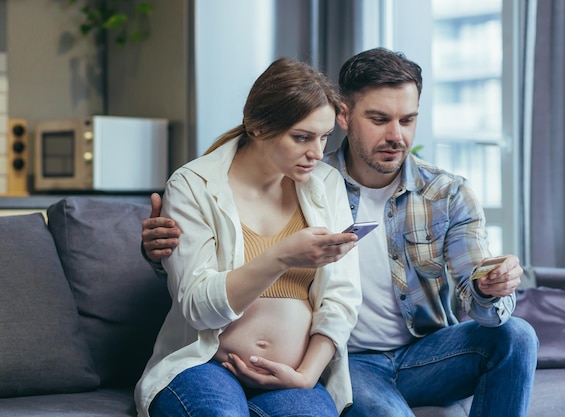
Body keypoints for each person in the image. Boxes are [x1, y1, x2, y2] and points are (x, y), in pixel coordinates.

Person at [142, 48, 538, 417]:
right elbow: (202, 272)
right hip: (338, 360)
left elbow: (473, 292)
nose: (396, 136)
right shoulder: (304, 176)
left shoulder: (442, 193)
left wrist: (490, 287)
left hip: (415, 354)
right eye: (380, 119)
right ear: (345, 116)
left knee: (516, 335)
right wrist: (160, 256)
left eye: (408, 120)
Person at [135, 57, 363, 417]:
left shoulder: (326, 184)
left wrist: (306, 376)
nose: (317, 153)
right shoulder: (193, 184)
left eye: (324, 138)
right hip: (205, 363)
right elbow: (197, 307)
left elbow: (341, 298)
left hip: (294, 374)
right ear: (257, 127)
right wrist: (282, 256)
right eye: (302, 137)